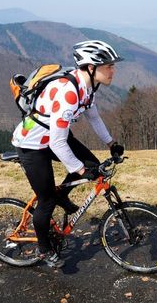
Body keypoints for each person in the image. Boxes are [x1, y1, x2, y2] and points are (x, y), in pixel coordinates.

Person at [11, 40, 125, 268]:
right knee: (46, 202)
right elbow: (57, 143)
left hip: (55, 138)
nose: (113, 70)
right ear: (91, 68)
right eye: (108, 66)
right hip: (33, 145)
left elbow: (94, 118)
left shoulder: (87, 88)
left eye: (112, 65)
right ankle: (44, 249)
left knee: (92, 162)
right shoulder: (69, 94)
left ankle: (62, 195)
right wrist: (80, 170)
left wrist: (110, 142)